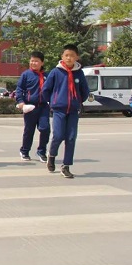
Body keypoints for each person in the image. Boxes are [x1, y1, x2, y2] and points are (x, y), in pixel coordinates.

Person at [42, 44, 90, 178]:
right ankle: (52, 155)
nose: (69, 58)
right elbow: (46, 90)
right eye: (66, 55)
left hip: (73, 110)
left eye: (72, 56)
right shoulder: (56, 72)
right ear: (62, 56)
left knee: (71, 137)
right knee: (58, 135)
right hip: (59, 109)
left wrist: (78, 101)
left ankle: (66, 166)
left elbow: (85, 91)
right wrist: (53, 102)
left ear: (77, 57)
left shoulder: (79, 73)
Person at [15, 51, 50, 162]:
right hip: (30, 106)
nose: (33, 63)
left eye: (36, 61)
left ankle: (42, 151)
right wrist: (21, 102)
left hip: (43, 106)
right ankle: (24, 151)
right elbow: (19, 89)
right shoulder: (26, 75)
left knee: (45, 129)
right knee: (29, 130)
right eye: (32, 61)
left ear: (42, 62)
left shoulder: (47, 75)